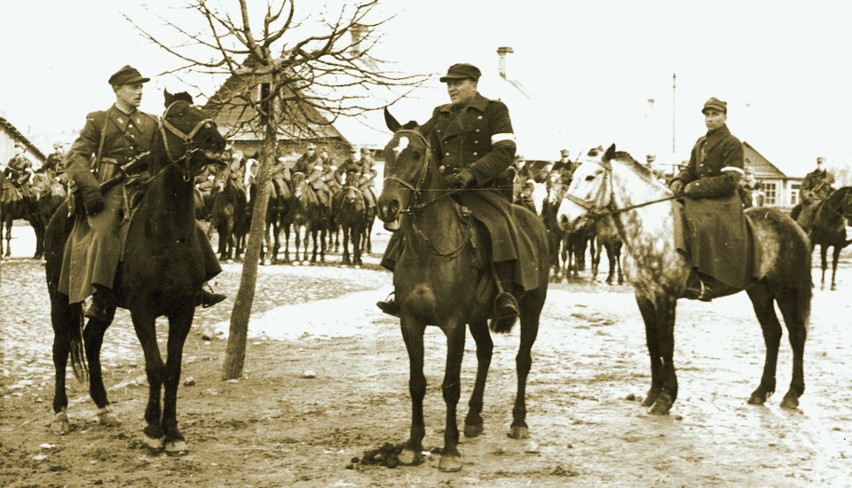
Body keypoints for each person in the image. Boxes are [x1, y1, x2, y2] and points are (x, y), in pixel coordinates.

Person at [377, 62, 539, 325]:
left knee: (499, 226)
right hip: (445, 189)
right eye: (448, 84)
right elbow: (422, 145)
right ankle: (402, 292)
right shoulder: (440, 114)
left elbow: (504, 150)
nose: (451, 88)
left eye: (457, 83)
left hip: (482, 188)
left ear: (474, 84)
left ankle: (504, 293)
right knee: (410, 223)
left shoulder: (494, 110)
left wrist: (472, 172)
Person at [60, 65, 226, 321]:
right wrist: (90, 188)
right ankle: (101, 296)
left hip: (147, 184)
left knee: (189, 226)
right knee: (104, 231)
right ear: (117, 89)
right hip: (111, 186)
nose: (139, 92)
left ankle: (197, 286)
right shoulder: (99, 120)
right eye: (134, 87)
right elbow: (76, 158)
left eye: (141, 87)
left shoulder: (151, 122)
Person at [668, 97, 750, 301]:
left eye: (715, 115)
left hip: (723, 201)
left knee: (699, 222)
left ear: (725, 116)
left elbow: (730, 180)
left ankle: (706, 279)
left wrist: (695, 186)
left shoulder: (732, 143)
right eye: (707, 115)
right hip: (699, 196)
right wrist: (679, 180)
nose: (710, 119)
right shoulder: (701, 142)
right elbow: (690, 169)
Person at [790, 156, 835, 223]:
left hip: (826, 200)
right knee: (803, 214)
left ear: (826, 164)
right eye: (818, 163)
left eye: (822, 163)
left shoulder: (830, 177)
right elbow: (803, 188)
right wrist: (806, 199)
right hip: (813, 200)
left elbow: (833, 189)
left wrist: (832, 197)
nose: (820, 165)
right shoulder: (810, 176)